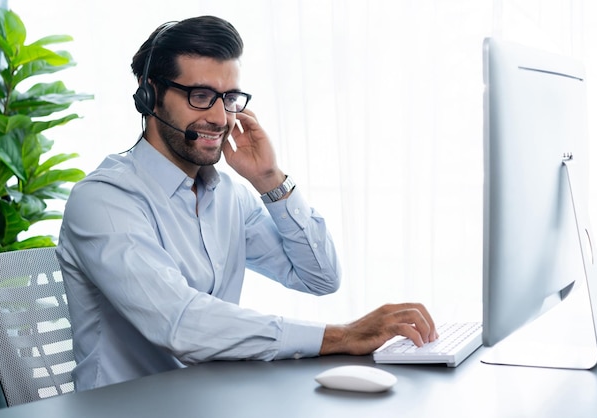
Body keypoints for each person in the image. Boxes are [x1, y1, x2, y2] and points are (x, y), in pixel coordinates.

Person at [56, 15, 438, 391]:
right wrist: (341, 336)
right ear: (150, 94)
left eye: (230, 98)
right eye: (201, 96)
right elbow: (182, 324)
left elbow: (319, 277)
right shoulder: (104, 201)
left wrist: (269, 179)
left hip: (208, 399)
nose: (222, 117)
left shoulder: (229, 197)